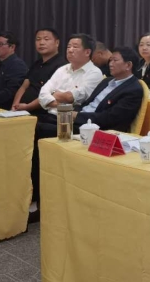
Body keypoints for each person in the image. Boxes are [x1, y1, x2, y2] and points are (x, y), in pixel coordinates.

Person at [33, 33, 103, 212]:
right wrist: (58, 99)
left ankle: (44, 200)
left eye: (75, 47)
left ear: (87, 52)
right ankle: (34, 194)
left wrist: (57, 96)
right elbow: (43, 94)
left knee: (38, 135)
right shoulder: (62, 69)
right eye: (69, 46)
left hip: (69, 119)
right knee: (25, 127)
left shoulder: (94, 73)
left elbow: (73, 97)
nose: (70, 50)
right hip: (50, 114)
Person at [74, 47, 144, 133]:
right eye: (110, 60)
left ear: (128, 65)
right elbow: (88, 103)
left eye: (115, 60)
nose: (110, 64)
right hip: (79, 118)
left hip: (94, 128)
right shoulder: (106, 81)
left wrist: (77, 116)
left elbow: (111, 118)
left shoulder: (133, 89)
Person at [12, 28, 65, 113]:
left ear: (57, 43)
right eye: (38, 39)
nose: (41, 43)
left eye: (46, 39)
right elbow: (24, 86)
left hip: (42, 113)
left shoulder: (62, 66)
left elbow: (52, 94)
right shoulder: (36, 64)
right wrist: (14, 106)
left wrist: (28, 107)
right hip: (21, 111)